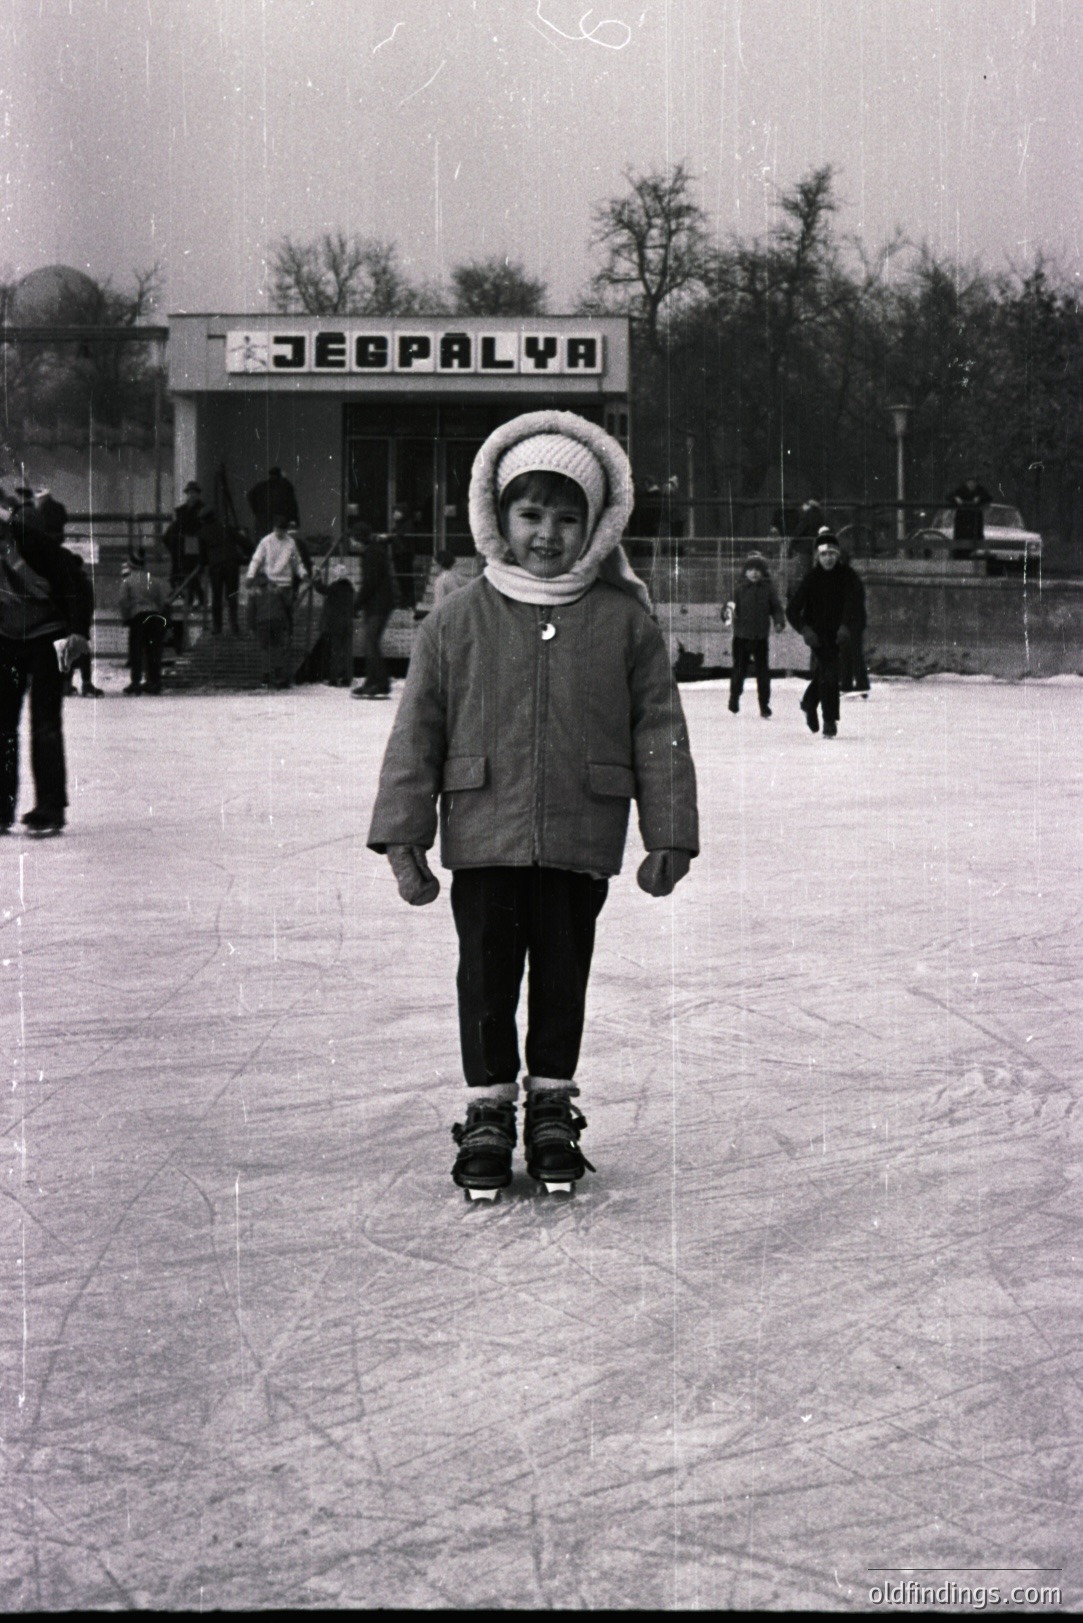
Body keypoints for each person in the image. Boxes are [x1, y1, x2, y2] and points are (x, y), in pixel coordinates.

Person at [366, 409, 700, 1201]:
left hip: (581, 832)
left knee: (561, 974)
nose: (545, 533)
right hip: (482, 831)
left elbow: (660, 729)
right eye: (529, 513)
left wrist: (671, 832)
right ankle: (488, 1110)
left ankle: (550, 1105)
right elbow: (417, 729)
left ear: (595, 524)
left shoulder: (625, 620)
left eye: (564, 516)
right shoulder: (456, 617)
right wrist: (403, 834)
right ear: (497, 517)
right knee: (484, 977)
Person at [0, 497, 89, 834]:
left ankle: (50, 807)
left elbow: (75, 584)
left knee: (45, 722)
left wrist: (78, 632)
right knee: (2, 725)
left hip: (47, 634)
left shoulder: (29, 541)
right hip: (7, 637)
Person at [785, 529, 864, 739]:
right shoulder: (811, 578)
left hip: (839, 634)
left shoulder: (848, 576)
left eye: (832, 554)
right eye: (823, 554)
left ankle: (809, 703)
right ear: (817, 557)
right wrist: (805, 630)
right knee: (830, 674)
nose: (828, 558)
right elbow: (792, 609)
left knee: (826, 672)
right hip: (818, 636)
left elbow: (854, 603)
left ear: (838, 555)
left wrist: (847, 626)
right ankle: (829, 720)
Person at [244, 513, 305, 687]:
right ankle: (277, 673)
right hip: (272, 584)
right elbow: (256, 559)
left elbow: (296, 562)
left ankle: (270, 674)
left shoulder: (290, 543)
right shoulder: (266, 541)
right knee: (277, 640)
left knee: (270, 644)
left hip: (283, 585)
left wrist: (303, 574)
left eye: (282, 530)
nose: (279, 533)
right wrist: (250, 575)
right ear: (274, 528)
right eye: (278, 530)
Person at [727, 551, 786, 718]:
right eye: (751, 570)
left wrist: (779, 621)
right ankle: (734, 698)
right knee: (739, 670)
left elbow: (776, 608)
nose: (754, 573)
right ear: (745, 572)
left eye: (758, 570)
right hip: (741, 637)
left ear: (763, 573)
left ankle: (764, 705)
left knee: (763, 673)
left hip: (760, 637)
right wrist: (727, 615)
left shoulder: (768, 590)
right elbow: (729, 607)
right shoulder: (739, 590)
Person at [352, 524, 397, 699]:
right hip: (378, 603)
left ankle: (380, 682)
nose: (351, 543)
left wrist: (356, 605)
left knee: (370, 643)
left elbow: (369, 583)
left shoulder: (371, 554)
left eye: (353, 540)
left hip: (379, 604)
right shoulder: (373, 552)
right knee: (370, 643)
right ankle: (373, 682)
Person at [118, 549, 170, 695]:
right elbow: (163, 601)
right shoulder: (154, 580)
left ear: (131, 565)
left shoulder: (127, 581)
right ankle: (154, 682)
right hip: (154, 616)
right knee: (153, 651)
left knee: (136, 650)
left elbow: (123, 601)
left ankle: (136, 682)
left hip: (138, 617)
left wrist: (126, 617)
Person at [60, 552, 102, 696]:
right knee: (83, 653)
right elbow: (89, 604)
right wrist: (85, 622)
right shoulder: (84, 582)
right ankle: (86, 684)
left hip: (66, 623)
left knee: (67, 653)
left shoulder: (64, 582)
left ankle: (66, 684)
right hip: (80, 623)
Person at [162, 481, 209, 609]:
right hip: (181, 546)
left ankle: (195, 599)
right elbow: (175, 528)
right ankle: (194, 599)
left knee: (192, 573)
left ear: (198, 494)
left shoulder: (202, 509)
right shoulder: (181, 511)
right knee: (184, 574)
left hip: (194, 544)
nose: (192, 495)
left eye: (194, 493)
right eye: (190, 493)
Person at [311, 559, 356, 686]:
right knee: (347, 651)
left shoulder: (335, 587)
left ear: (336, 575)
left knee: (335, 651)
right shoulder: (350, 589)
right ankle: (347, 678)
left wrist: (317, 577)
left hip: (336, 624)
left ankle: (333, 678)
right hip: (347, 623)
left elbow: (321, 589)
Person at [202, 511, 244, 634]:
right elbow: (244, 542)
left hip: (215, 567)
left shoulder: (202, 532)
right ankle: (234, 625)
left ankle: (217, 626)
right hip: (231, 565)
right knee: (232, 595)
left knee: (216, 597)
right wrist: (248, 556)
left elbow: (202, 555)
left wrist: (204, 564)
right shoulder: (227, 528)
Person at [247, 465, 299, 540]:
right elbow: (292, 504)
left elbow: (250, 496)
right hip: (279, 519)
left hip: (263, 520)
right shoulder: (286, 486)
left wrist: (257, 512)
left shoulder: (261, 486)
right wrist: (295, 520)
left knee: (263, 543)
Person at [948, 477, 992, 546]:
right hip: (962, 520)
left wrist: (980, 498)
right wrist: (956, 498)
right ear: (966, 483)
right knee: (960, 540)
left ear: (976, 484)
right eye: (969, 483)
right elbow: (949, 496)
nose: (971, 485)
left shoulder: (980, 490)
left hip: (975, 521)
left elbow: (989, 497)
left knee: (976, 540)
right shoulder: (960, 490)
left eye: (973, 483)